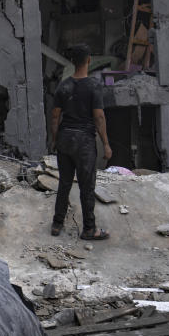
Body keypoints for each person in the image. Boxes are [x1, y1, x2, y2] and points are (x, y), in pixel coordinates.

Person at [49, 43, 111, 240]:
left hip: (65, 138)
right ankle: (89, 229)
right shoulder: (93, 86)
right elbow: (99, 117)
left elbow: (55, 117)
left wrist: (55, 139)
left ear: (73, 62)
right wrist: (107, 145)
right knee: (87, 187)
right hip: (84, 141)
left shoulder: (63, 86)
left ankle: (57, 224)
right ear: (89, 60)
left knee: (64, 183)